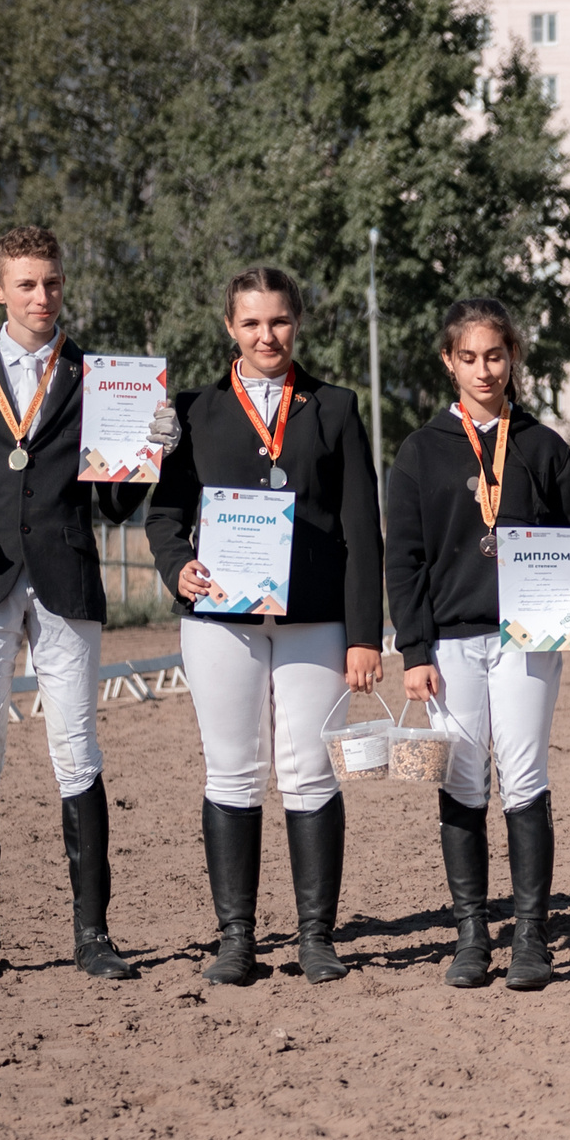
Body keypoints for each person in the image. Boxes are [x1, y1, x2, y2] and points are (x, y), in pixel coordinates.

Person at [0, 225, 156, 983]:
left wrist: (152, 448)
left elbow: (117, 504)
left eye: (51, 282)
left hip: (64, 574)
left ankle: (93, 934)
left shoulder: (101, 375)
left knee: (77, 748)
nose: (41, 296)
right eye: (25, 284)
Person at [146, 267, 385, 987]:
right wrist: (175, 565)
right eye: (251, 323)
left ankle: (317, 936)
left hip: (313, 616)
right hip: (220, 616)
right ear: (230, 327)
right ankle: (237, 938)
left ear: (297, 322)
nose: (266, 336)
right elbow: (163, 514)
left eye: (278, 321)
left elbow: (360, 529)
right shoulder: (192, 411)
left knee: (309, 769)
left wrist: (365, 633)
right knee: (233, 768)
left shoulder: (336, 407)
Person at [387, 299, 570, 991]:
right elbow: (405, 561)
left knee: (526, 776)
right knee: (462, 780)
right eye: (469, 357)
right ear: (449, 361)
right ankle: (473, 934)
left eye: (496, 356)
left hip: (527, 638)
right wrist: (414, 651)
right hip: (450, 641)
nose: (484, 370)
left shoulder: (542, 445)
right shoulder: (419, 452)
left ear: (513, 359)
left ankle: (531, 935)